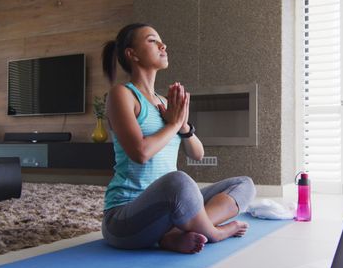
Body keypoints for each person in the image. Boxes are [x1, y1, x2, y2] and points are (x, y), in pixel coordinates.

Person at [100, 23, 256, 254]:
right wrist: (172, 124)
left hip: (169, 210)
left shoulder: (165, 103)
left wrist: (183, 126)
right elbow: (140, 153)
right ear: (131, 54)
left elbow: (198, 153)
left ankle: (173, 233)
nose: (163, 45)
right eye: (152, 40)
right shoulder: (122, 94)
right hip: (125, 218)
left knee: (244, 185)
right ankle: (214, 232)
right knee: (180, 181)